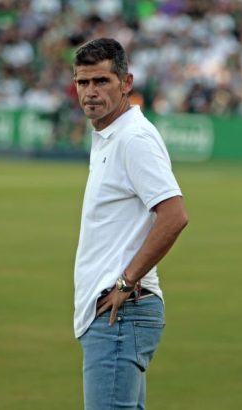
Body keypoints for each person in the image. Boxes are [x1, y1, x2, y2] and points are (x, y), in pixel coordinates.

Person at [72, 38, 188, 409]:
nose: (90, 92)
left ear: (126, 83)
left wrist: (125, 282)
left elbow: (173, 216)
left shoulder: (133, 138)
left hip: (120, 312)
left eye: (101, 81)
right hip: (115, 314)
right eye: (82, 82)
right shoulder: (109, 135)